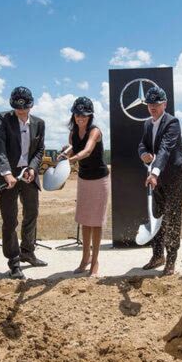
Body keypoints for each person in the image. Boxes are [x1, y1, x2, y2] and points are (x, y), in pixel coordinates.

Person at [0, 86, 47, 279]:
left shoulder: (39, 123)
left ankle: (27, 252)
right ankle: (14, 261)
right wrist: (6, 172)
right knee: (10, 219)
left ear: (31, 105)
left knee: (32, 213)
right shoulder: (2, 118)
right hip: (9, 179)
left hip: (28, 176)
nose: (20, 112)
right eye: (17, 108)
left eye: (24, 108)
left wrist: (32, 167)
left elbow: (39, 150)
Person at [138, 86, 182, 275]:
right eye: (150, 104)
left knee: (173, 218)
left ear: (164, 104)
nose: (153, 107)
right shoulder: (147, 124)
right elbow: (143, 144)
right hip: (157, 179)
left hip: (174, 177)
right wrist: (143, 153)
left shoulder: (172, 122)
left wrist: (154, 173)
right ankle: (157, 255)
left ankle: (171, 260)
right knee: (157, 216)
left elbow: (165, 149)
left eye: (156, 104)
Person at [59, 96, 110, 276]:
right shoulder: (72, 133)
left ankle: (95, 262)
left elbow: (87, 150)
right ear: (73, 115)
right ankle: (85, 258)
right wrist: (64, 154)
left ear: (90, 116)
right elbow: (72, 148)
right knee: (84, 220)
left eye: (84, 115)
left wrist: (70, 160)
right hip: (84, 179)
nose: (80, 118)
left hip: (99, 180)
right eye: (77, 115)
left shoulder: (95, 131)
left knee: (96, 222)